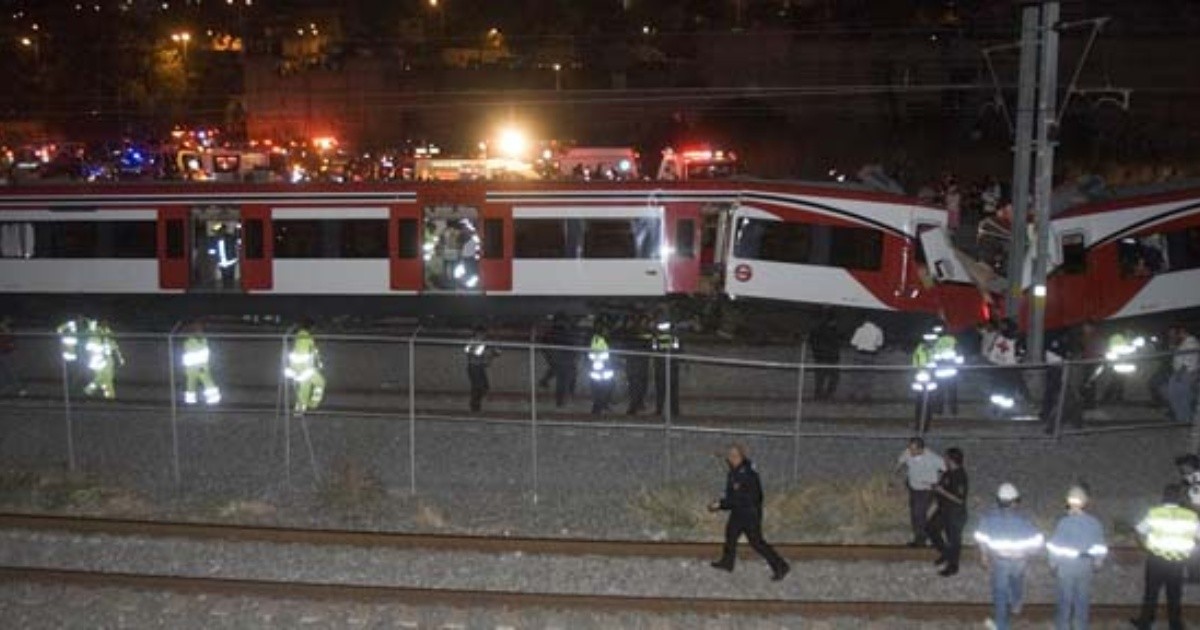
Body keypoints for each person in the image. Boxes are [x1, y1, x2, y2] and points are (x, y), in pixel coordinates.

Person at [707, 443, 790, 580]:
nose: (731, 458)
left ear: (741, 456)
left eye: (734, 456)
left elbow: (738, 498)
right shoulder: (737, 470)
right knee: (731, 535)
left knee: (757, 542)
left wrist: (720, 504)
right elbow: (733, 496)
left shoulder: (745, 474)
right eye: (730, 456)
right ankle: (727, 562)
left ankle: (781, 566)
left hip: (749, 514)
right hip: (739, 511)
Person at [974, 483, 1044, 630]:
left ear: (998, 500)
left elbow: (981, 537)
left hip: (1000, 560)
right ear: (1015, 501)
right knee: (1016, 581)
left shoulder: (989, 519)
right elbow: (1038, 542)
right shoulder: (1024, 521)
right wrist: (1027, 552)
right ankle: (1016, 604)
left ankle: (1001, 626)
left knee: (1000, 593)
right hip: (1019, 560)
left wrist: (984, 555)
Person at [1130, 484, 1200, 630]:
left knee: (1151, 593)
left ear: (1164, 496)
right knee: (1174, 595)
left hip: (1156, 559)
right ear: (1180, 497)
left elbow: (1138, 530)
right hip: (1178, 561)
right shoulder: (1191, 516)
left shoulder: (1155, 513)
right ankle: (1175, 625)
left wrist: (1144, 546)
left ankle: (1145, 623)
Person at [1046, 485, 1108, 630]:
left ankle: (1063, 626)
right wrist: (1098, 561)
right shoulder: (1094, 523)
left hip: (1066, 568)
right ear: (1085, 502)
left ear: (1068, 502)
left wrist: (1053, 563)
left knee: (1065, 601)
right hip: (1085, 567)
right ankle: (1081, 626)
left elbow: (1055, 547)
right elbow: (1100, 546)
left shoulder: (1063, 523)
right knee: (1082, 601)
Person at [894, 437, 946, 547]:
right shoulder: (908, 453)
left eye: (913, 449)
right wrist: (896, 472)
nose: (910, 451)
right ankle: (921, 535)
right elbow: (900, 461)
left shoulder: (933, 458)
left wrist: (940, 484)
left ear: (921, 449)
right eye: (910, 448)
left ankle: (921, 539)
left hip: (926, 489)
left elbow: (947, 469)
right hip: (914, 488)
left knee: (919, 513)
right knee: (915, 513)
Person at [927, 447, 968, 576]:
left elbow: (960, 499)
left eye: (946, 458)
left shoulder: (960, 476)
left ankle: (952, 566)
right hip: (943, 510)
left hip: (955, 513)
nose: (944, 460)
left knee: (953, 540)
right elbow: (940, 488)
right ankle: (945, 553)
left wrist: (942, 491)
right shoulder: (947, 473)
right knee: (931, 528)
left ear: (951, 460)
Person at [285, 321, 325, 415]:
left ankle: (304, 407)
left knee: (310, 386)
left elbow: (312, 352)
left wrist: (318, 363)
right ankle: (305, 407)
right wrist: (301, 371)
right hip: (304, 369)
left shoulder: (304, 336)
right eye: (314, 328)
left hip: (305, 369)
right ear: (310, 327)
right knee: (318, 383)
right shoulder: (304, 337)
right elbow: (301, 355)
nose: (315, 330)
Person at [1162, 325, 1199, 423]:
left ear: (1182, 332)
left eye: (1176, 333)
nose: (1174, 336)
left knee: (1182, 395)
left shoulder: (1191, 342)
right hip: (1182, 372)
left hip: (1185, 373)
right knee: (1176, 394)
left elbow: (1189, 359)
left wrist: (1179, 373)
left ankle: (1184, 418)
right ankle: (1182, 417)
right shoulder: (1184, 343)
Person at [181, 322, 221, 406]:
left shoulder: (191, 340)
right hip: (196, 367)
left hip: (196, 367)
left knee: (202, 382)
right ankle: (191, 399)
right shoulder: (199, 340)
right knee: (196, 383)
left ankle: (211, 398)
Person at [463, 326, 500, 412]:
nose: (483, 336)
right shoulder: (472, 342)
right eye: (481, 334)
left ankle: (475, 405)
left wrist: (492, 353)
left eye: (484, 334)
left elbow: (495, 353)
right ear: (477, 334)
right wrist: (490, 353)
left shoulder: (483, 343)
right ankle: (475, 406)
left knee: (483, 387)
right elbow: (473, 353)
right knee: (478, 387)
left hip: (479, 367)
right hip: (474, 367)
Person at [83, 319, 122, 400]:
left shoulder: (108, 332)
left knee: (108, 377)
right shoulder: (95, 333)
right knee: (100, 378)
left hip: (108, 358)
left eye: (107, 322)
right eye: (104, 322)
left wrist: (118, 357)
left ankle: (109, 396)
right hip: (98, 358)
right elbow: (90, 346)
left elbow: (113, 344)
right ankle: (88, 391)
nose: (106, 323)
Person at [847, 318, 884, 401]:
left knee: (856, 375)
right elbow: (879, 344)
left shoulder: (860, 329)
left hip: (859, 354)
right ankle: (867, 395)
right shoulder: (878, 330)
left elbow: (853, 343)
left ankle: (853, 393)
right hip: (871, 355)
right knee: (869, 376)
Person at [651, 313, 681, 417]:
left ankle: (663, 410)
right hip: (668, 366)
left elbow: (654, 350)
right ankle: (673, 411)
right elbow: (677, 349)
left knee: (663, 391)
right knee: (668, 391)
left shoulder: (658, 337)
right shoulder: (673, 337)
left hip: (665, 366)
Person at [911, 332, 941, 432]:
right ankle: (919, 425)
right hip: (921, 379)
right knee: (920, 404)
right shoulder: (920, 350)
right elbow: (915, 364)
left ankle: (925, 426)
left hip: (931, 380)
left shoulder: (934, 350)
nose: (931, 343)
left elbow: (938, 363)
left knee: (928, 404)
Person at [623, 314, 652, 415]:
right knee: (635, 384)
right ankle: (635, 405)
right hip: (636, 363)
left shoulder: (637, 333)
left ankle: (637, 404)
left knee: (638, 384)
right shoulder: (632, 333)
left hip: (638, 363)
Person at [809, 308, 841, 401]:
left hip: (820, 357)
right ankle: (829, 394)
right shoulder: (832, 331)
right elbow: (835, 344)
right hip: (830, 357)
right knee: (834, 377)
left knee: (820, 378)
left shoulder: (816, 330)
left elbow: (812, 341)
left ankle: (818, 394)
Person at [588, 322, 614, 414]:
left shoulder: (596, 338)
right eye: (606, 330)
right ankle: (597, 408)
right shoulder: (601, 340)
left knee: (602, 389)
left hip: (600, 368)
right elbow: (603, 354)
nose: (608, 332)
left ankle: (600, 406)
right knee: (602, 389)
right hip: (602, 368)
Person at [0, 317, 24, 397]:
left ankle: (19, 389)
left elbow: (10, 339)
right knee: (3, 372)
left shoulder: (7, 330)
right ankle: (5, 388)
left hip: (6, 352)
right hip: (4, 351)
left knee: (11, 371)